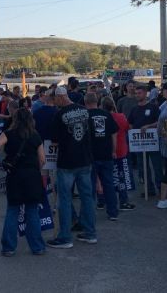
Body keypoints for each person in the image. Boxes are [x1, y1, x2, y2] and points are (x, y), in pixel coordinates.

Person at [0, 108, 47, 256]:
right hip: (32, 176)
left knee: (13, 210)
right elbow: (42, 159)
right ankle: (37, 246)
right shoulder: (35, 135)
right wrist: (36, 169)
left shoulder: (8, 133)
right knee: (32, 211)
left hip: (14, 175)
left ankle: (9, 247)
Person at [47, 86, 95, 248]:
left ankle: (65, 237)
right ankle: (90, 233)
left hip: (67, 162)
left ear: (60, 97)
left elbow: (54, 141)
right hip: (85, 160)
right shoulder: (84, 110)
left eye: (55, 99)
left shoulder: (59, 115)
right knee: (87, 197)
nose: (54, 103)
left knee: (65, 199)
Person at [85, 93, 120, 221]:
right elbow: (114, 134)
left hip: (91, 156)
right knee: (109, 184)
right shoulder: (106, 115)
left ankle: (90, 214)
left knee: (90, 185)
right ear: (97, 102)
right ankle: (113, 212)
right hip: (106, 154)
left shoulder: (85, 116)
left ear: (86, 103)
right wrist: (114, 150)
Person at [101, 96, 136, 211]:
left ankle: (102, 201)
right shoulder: (120, 117)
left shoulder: (101, 118)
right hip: (120, 150)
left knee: (106, 178)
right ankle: (123, 201)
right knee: (122, 177)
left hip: (106, 151)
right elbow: (127, 128)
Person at [127, 85, 162, 198]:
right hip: (139, 143)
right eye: (136, 93)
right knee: (143, 167)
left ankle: (161, 188)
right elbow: (130, 122)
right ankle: (149, 189)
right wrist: (131, 130)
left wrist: (149, 126)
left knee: (157, 166)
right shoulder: (134, 109)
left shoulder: (153, 107)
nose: (137, 95)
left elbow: (159, 122)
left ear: (146, 93)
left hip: (152, 141)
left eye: (140, 93)